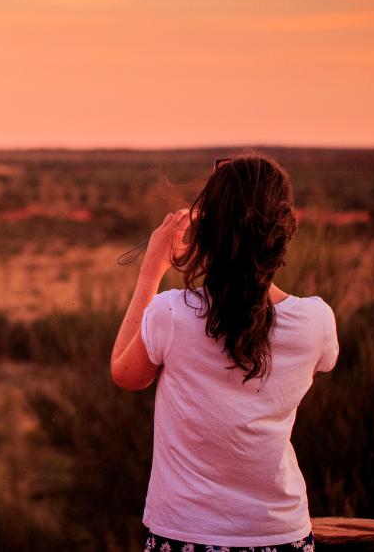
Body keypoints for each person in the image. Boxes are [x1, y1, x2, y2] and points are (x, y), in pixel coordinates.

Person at [110, 153, 338, 552]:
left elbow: (125, 373)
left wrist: (152, 269)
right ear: (283, 230)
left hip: (184, 534)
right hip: (281, 534)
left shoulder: (172, 314)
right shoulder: (316, 323)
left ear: (208, 230)